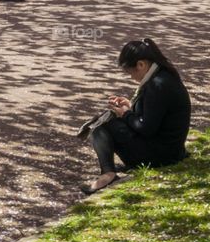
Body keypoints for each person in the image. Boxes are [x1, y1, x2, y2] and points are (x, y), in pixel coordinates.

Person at [80, 38, 191, 194]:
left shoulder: (157, 85)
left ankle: (108, 174)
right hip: (171, 150)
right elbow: (155, 115)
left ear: (141, 64)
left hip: (161, 156)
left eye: (130, 72)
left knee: (101, 124)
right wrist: (130, 106)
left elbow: (146, 128)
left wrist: (125, 114)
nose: (131, 77)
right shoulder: (163, 76)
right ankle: (110, 172)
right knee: (108, 118)